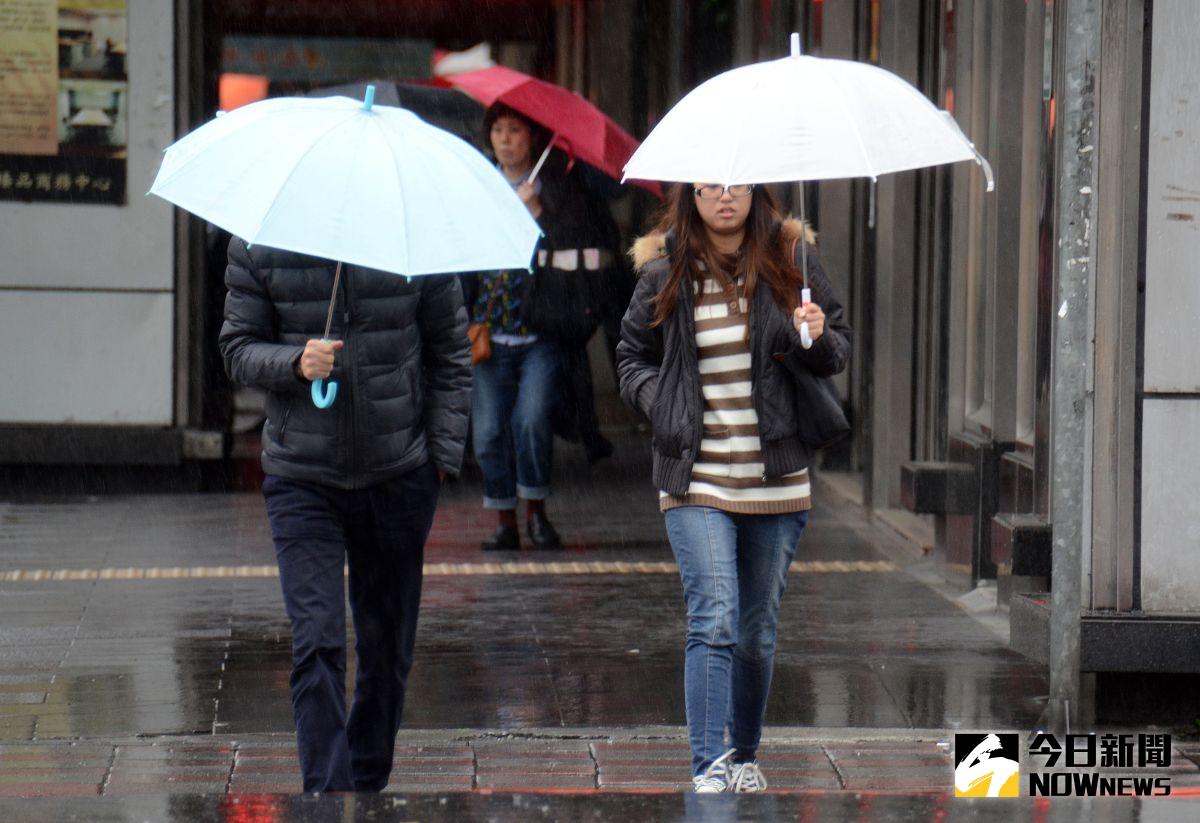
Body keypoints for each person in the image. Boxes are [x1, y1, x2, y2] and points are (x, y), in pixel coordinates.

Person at [616, 183, 852, 793]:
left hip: (776, 476)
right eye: (709, 187)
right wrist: (663, 405)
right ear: (690, 196)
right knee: (713, 617)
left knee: (755, 629)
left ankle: (744, 754)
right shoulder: (664, 269)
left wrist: (815, 332)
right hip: (694, 474)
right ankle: (708, 764)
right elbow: (631, 357)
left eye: (736, 184)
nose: (725, 197)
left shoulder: (792, 259)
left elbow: (837, 354)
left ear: (754, 190)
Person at [219, 238, 471, 793]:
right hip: (301, 478)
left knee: (387, 649)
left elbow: (451, 352)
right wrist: (293, 361)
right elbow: (237, 349)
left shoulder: (412, 239)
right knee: (317, 640)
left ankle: (366, 778)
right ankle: (326, 796)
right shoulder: (260, 244)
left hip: (398, 473)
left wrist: (438, 465)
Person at [464, 103, 618, 551]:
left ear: (532, 137)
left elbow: (580, 240)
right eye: (498, 131)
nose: (505, 139)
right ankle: (504, 519)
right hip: (488, 333)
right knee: (490, 430)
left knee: (531, 421)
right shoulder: (479, 185)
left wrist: (539, 214)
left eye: (514, 130)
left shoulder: (557, 187)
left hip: (542, 331)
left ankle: (536, 512)